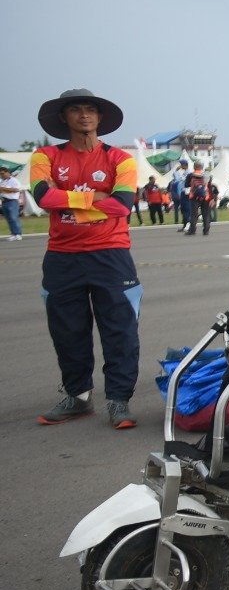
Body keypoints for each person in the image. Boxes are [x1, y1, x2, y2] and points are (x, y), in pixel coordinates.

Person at [29, 89, 143, 428]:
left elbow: (122, 204)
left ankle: (119, 401)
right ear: (63, 118)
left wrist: (69, 200)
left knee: (119, 330)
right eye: (76, 110)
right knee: (67, 331)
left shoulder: (120, 159)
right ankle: (78, 398)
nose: (84, 115)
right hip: (62, 257)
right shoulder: (44, 156)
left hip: (111, 255)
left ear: (99, 118)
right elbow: (42, 198)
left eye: (90, 109)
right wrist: (95, 199)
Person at [184, 162, 212, 235]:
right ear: (202, 167)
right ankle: (206, 230)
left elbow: (186, 185)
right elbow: (209, 186)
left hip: (194, 196)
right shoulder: (207, 175)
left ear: (194, 167)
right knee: (206, 214)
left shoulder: (190, 175)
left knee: (194, 214)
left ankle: (192, 230)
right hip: (205, 196)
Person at [1, 165, 25, 240]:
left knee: (13, 217)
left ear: (8, 173)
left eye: (3, 173)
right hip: (4, 201)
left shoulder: (14, 180)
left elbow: (16, 190)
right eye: (0, 174)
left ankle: (18, 234)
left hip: (12, 201)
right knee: (9, 219)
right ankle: (13, 233)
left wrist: (3, 189)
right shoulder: (2, 182)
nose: (2, 175)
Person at [168, 160, 190, 231]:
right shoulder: (183, 173)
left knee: (187, 210)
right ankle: (185, 225)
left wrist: (176, 172)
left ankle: (188, 225)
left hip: (186, 193)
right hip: (182, 193)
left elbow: (178, 180)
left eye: (181, 164)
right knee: (183, 210)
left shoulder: (188, 173)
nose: (180, 166)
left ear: (185, 165)